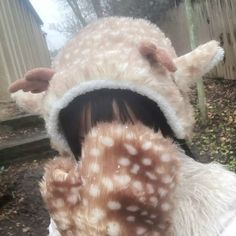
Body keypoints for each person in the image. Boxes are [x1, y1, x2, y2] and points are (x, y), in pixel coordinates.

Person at [9, 17, 236, 236]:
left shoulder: (219, 203)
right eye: (86, 140)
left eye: (128, 132)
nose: (111, 154)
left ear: (163, 125)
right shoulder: (73, 201)